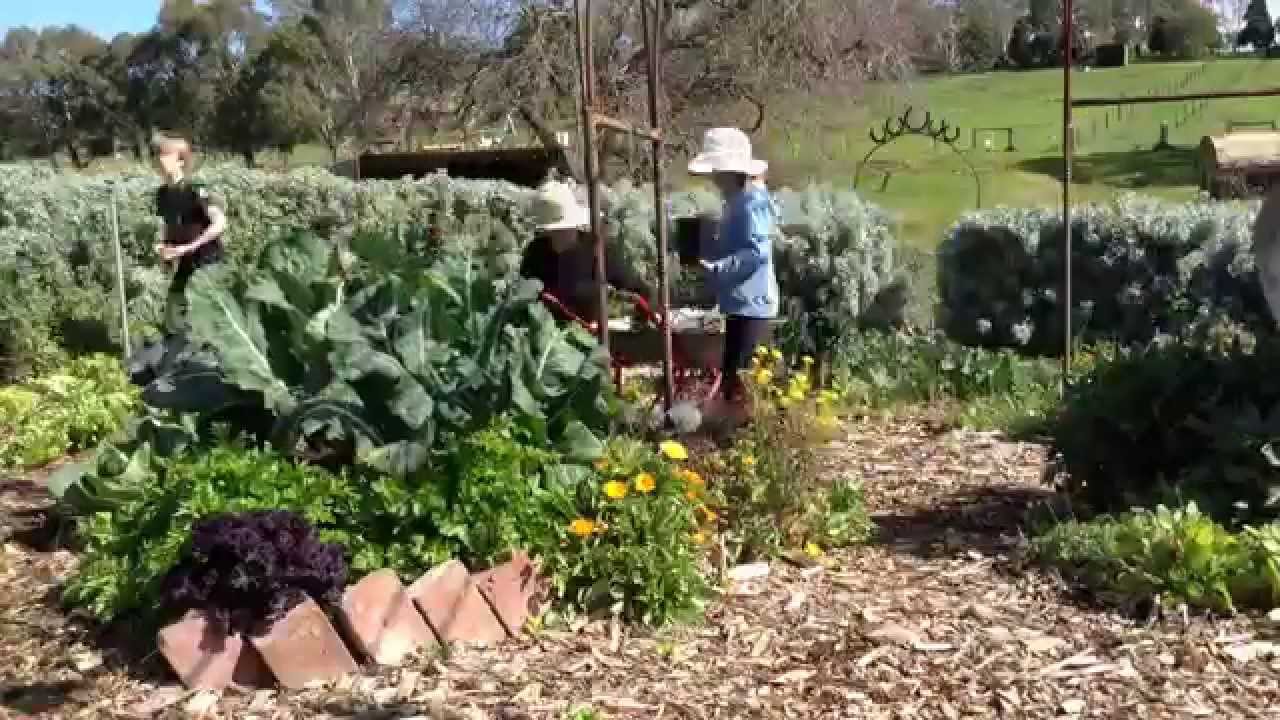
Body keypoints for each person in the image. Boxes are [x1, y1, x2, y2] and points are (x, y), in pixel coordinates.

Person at [688, 127, 778, 416]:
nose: (713, 177)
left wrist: (717, 268)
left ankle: (746, 440)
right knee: (734, 381)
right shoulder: (737, 201)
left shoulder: (752, 203)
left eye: (716, 170)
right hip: (741, 303)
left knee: (743, 383)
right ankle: (735, 439)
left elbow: (756, 253)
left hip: (753, 305)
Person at [519, 180, 651, 327]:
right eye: (552, 231)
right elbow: (525, 297)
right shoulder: (535, 253)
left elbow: (639, 293)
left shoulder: (600, 250)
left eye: (562, 229)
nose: (557, 235)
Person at [151, 134, 227, 334]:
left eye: (166, 155)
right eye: (157, 154)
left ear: (181, 161)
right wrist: (165, 250)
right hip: (185, 263)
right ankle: (182, 359)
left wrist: (189, 246)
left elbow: (220, 223)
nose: (159, 159)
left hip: (208, 262)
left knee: (207, 318)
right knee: (173, 316)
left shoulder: (196, 190)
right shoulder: (162, 195)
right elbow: (170, 226)